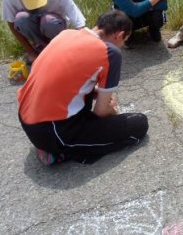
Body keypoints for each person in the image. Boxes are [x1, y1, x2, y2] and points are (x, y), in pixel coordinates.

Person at [17, 10, 149, 165]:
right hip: (53, 133)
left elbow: (63, 79)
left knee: (90, 94)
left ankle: (62, 143)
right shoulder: (111, 52)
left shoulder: (66, 34)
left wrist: (95, 93)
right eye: (123, 41)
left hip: (26, 118)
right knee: (139, 123)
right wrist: (112, 109)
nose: (121, 46)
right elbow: (100, 112)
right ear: (119, 35)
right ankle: (62, 152)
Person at [1, 0, 86, 63]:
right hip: (33, 27)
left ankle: (59, 48)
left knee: (48, 20)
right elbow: (11, 22)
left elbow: (76, 17)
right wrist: (30, 52)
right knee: (21, 18)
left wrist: (84, 44)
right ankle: (40, 48)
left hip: (54, 26)